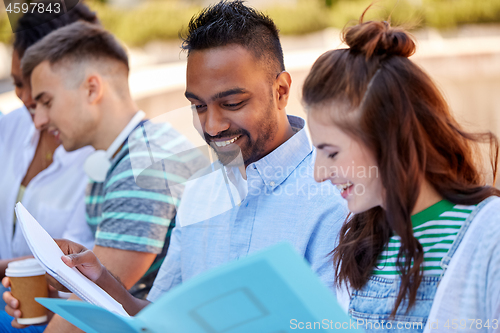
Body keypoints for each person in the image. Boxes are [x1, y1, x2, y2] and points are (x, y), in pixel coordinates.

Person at [4, 0, 348, 322]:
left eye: (231, 103)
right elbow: (161, 316)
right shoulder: (200, 193)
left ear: (282, 91)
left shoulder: (337, 194)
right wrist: (98, 279)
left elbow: (335, 324)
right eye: (199, 106)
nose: (212, 126)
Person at [2, 21, 206, 332]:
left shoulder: (144, 165)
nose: (40, 120)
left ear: (92, 88)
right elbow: (102, 298)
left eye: (46, 102)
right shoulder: (121, 158)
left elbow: (94, 305)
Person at [302, 13, 500, 332]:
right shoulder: (357, 241)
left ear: (387, 138)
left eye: (332, 152)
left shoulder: (491, 235)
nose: (319, 174)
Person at [0, 3, 98, 331]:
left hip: (57, 318)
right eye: (16, 83)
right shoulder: (10, 127)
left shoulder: (98, 158)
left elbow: (76, 267)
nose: (26, 97)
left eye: (37, 85)